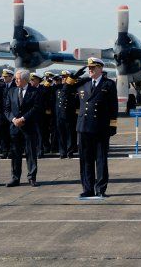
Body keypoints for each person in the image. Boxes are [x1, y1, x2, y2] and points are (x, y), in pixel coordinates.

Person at [66, 58, 118, 198]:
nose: (90, 70)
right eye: (89, 68)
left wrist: (113, 125)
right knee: (85, 160)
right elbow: (66, 90)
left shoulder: (109, 84)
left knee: (100, 159)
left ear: (100, 68)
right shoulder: (83, 82)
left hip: (100, 127)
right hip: (83, 127)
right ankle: (87, 188)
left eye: (93, 68)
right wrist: (73, 77)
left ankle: (100, 189)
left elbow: (113, 106)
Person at [4, 69, 41, 187]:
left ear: (25, 80)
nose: (15, 81)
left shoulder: (35, 92)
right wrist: (14, 119)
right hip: (15, 127)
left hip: (28, 127)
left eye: (18, 79)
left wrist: (23, 118)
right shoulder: (11, 91)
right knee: (15, 153)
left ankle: (32, 177)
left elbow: (36, 108)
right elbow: (7, 109)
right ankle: (15, 178)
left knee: (31, 153)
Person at [54, 70, 78, 158]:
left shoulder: (73, 87)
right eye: (63, 77)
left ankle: (69, 151)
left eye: (65, 77)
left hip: (69, 114)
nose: (63, 78)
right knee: (61, 134)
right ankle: (62, 152)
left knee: (70, 134)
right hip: (59, 115)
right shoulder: (58, 87)